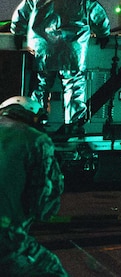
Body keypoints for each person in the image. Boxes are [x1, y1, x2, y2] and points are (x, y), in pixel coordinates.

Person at [10, 0, 111, 134]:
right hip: (73, 55)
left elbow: (19, 19)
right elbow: (100, 20)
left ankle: (36, 123)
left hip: (42, 54)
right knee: (74, 90)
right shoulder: (85, 1)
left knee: (40, 89)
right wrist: (103, 35)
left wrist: (17, 34)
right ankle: (73, 125)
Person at [0, 96, 67, 277]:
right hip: (6, 238)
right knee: (52, 270)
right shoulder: (36, 140)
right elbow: (42, 206)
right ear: (32, 117)